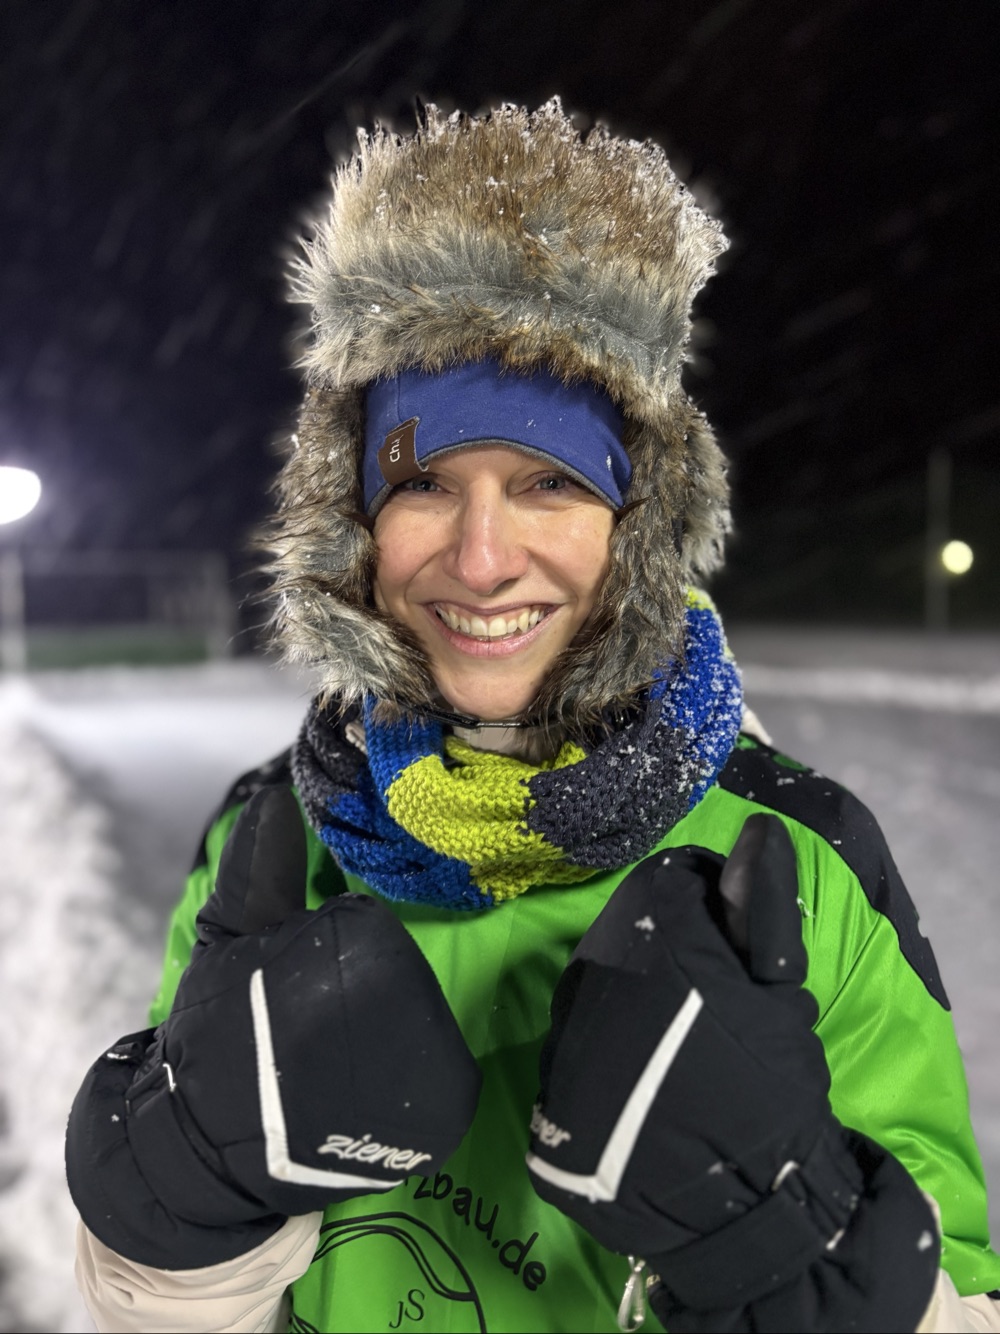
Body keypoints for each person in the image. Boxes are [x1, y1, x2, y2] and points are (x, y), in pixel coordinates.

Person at [66, 99, 1000, 1333]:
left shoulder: (791, 858)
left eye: (549, 480)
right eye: (424, 483)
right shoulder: (274, 836)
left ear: (638, 523)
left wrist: (791, 1250)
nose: (481, 556)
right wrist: (186, 1202)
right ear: (354, 525)